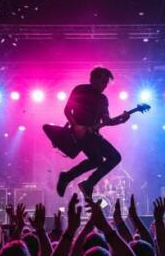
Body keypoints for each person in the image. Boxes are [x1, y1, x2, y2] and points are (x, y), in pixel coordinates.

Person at [55, 66, 130, 200]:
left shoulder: (103, 99)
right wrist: (75, 126)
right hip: (78, 133)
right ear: (93, 79)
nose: (105, 86)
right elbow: (67, 110)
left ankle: (85, 183)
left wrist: (121, 120)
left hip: (94, 134)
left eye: (107, 83)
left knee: (115, 157)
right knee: (97, 160)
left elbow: (107, 121)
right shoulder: (80, 90)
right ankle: (76, 180)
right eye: (103, 82)